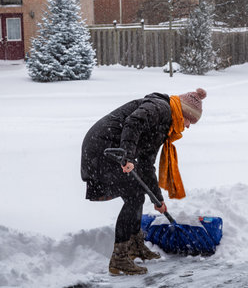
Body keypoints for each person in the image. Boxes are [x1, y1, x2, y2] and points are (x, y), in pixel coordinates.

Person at [80, 88, 207, 275]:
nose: (188, 126)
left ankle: (134, 246)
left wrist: (158, 199)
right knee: (133, 195)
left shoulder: (164, 124)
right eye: (190, 121)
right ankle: (120, 258)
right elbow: (133, 122)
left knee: (137, 192)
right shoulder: (160, 108)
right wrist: (128, 156)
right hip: (102, 150)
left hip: (113, 150)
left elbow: (147, 164)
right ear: (184, 113)